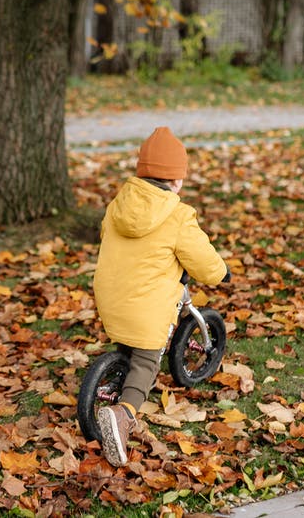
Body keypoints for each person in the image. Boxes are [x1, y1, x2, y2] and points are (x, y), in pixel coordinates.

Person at [92, 126, 230, 468]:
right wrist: (220, 273)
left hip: (108, 297)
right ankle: (124, 414)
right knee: (146, 362)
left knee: (131, 335)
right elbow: (201, 258)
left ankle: (116, 365)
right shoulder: (178, 215)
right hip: (145, 307)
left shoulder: (117, 205)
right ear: (177, 180)